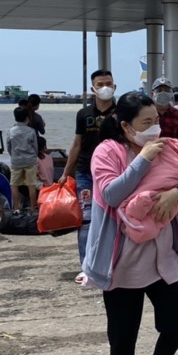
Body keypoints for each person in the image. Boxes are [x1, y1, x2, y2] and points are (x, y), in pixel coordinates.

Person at [82, 91, 178, 355]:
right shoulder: (107, 152)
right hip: (122, 264)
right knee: (123, 336)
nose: (155, 128)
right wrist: (143, 159)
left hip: (162, 257)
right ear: (126, 127)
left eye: (157, 120)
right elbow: (112, 194)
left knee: (176, 323)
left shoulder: (167, 145)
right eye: (146, 123)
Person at [63, 69, 118, 266]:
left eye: (108, 84)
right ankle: (86, 265)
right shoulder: (83, 114)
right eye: (101, 84)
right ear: (92, 89)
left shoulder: (121, 113)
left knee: (113, 217)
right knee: (86, 220)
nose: (105, 88)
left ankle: (112, 262)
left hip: (114, 173)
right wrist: (65, 173)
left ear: (115, 86)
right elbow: (77, 144)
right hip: (85, 172)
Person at [8, 104, 40, 210]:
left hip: (16, 160)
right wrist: (34, 156)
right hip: (30, 160)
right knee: (31, 184)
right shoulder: (31, 131)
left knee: (14, 185)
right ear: (27, 118)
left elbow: (9, 146)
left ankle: (16, 208)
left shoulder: (11, 131)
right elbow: (35, 146)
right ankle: (32, 207)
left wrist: (13, 155)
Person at [150, 77, 178, 141]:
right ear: (152, 94)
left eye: (166, 90)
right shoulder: (146, 114)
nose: (163, 93)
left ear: (171, 93)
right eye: (159, 90)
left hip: (173, 150)